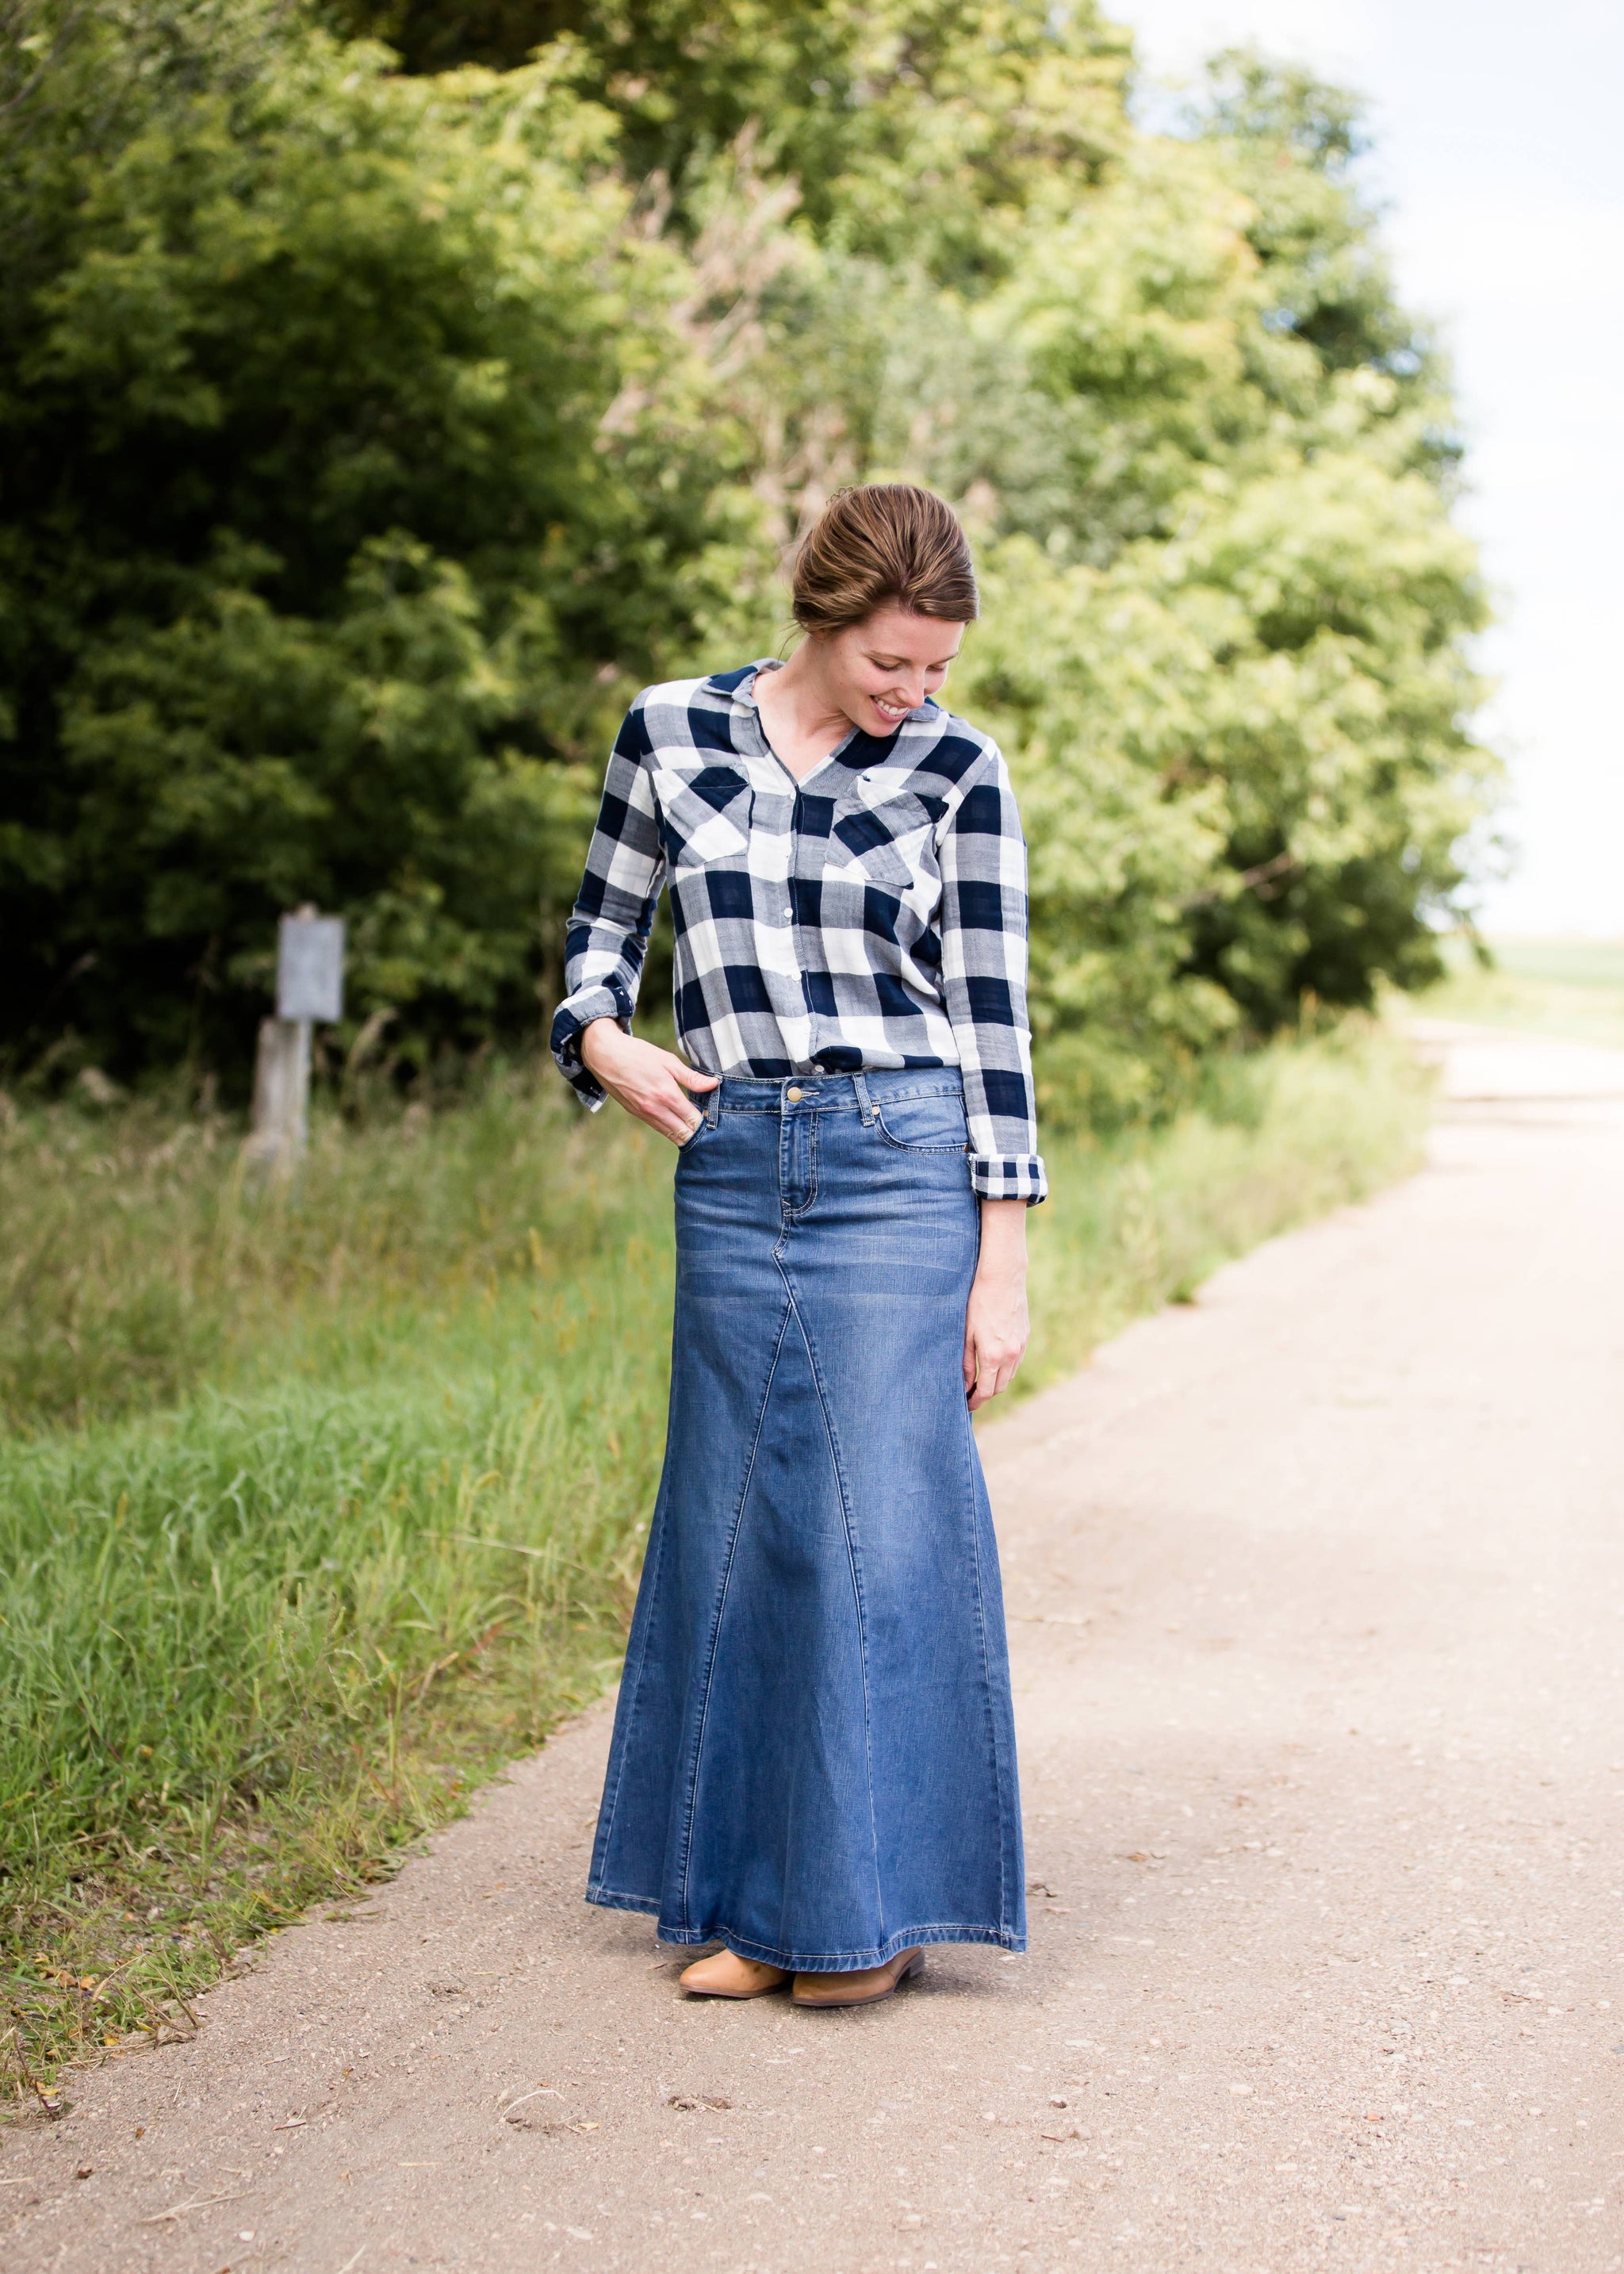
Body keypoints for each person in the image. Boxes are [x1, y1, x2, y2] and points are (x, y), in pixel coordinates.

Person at [550, 483, 1046, 2009]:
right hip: (728, 1153)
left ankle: (861, 1920)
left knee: (879, 1530)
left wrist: (1003, 1255)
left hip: (900, 1158)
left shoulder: (959, 768)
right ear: (824, 621)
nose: (917, 692)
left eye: (938, 668)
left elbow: (992, 1019)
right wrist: (600, 1043)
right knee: (740, 1522)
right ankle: (753, 1906)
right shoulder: (669, 733)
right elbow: (597, 941)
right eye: (895, 663)